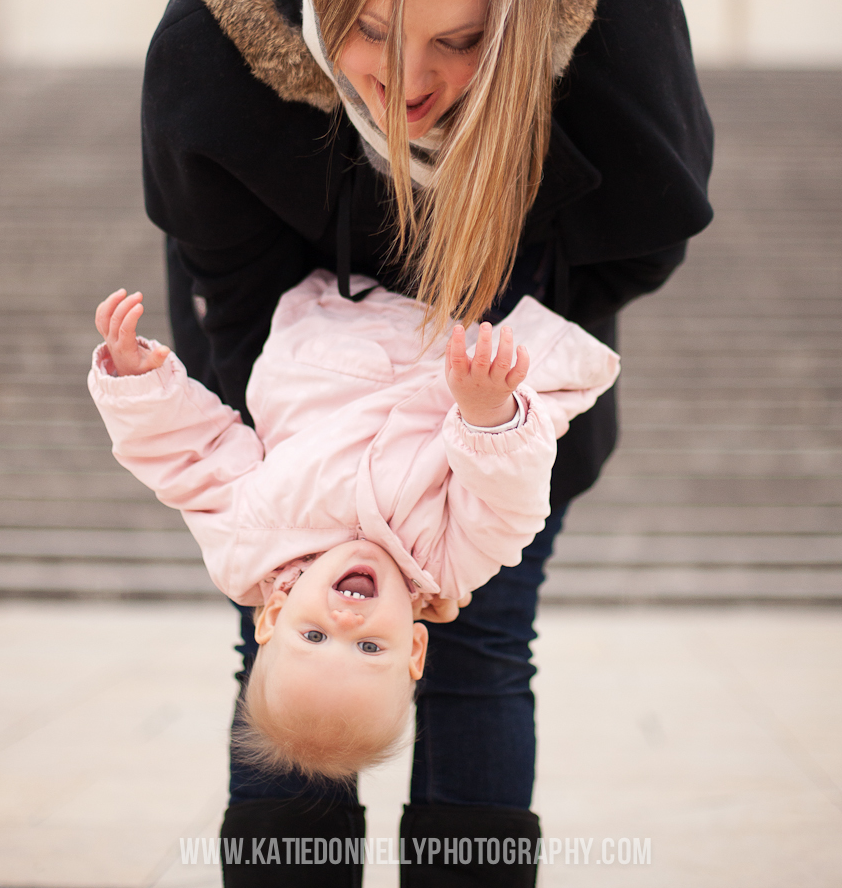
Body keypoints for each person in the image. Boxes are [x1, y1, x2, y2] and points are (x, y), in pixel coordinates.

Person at [141, 0, 713, 886]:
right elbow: (231, 286)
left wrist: (499, 404)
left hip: (488, 406)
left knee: (479, 651)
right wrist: (297, 492)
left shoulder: (615, 16)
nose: (410, 81)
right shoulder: (217, 43)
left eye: (459, 39)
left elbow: (648, 231)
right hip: (291, 390)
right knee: (292, 653)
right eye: (370, 30)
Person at [87, 274, 619, 781]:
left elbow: (194, 460)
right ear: (414, 648)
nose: (346, 618)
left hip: (335, 324)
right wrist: (488, 414)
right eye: (369, 648)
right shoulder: (447, 565)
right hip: (458, 342)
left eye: (314, 635)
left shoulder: (248, 544)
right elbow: (507, 505)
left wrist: (139, 385)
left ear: (273, 614)